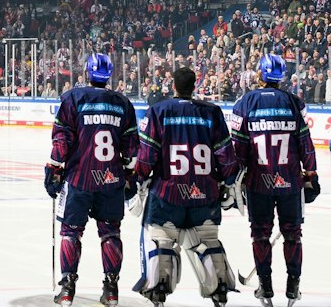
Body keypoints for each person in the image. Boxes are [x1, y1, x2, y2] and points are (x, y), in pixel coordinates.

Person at [129, 66, 238, 307]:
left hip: (168, 193)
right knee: (208, 239)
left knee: (160, 238)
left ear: (174, 86)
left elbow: (147, 156)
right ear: (194, 86)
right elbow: (226, 155)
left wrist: (138, 178)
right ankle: (219, 286)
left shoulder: (159, 111)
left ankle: (158, 288)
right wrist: (229, 183)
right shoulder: (212, 112)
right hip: (205, 192)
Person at [44, 53, 137, 307]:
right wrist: (129, 175)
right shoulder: (123, 103)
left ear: (87, 72)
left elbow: (62, 140)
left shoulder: (73, 98)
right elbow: (131, 148)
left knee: (71, 232)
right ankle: (111, 290)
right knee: (110, 232)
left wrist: (53, 168)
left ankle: (66, 289)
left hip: (79, 179)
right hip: (111, 178)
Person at [229, 55, 317, 307]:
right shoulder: (294, 103)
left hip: (258, 183)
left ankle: (264, 286)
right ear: (282, 78)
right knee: (293, 236)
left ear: (260, 75)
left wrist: (234, 181)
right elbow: (305, 145)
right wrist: (311, 176)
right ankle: (293, 286)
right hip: (290, 181)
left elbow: (239, 148)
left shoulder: (245, 102)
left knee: (260, 235)